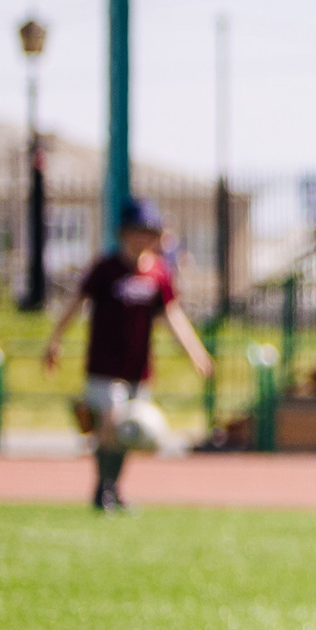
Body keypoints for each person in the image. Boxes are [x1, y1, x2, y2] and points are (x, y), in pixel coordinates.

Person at [43, 197, 213, 513]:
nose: (143, 239)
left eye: (149, 233)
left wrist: (196, 353)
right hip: (104, 366)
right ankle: (103, 490)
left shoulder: (158, 275)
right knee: (111, 422)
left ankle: (113, 490)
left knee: (127, 432)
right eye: (137, 232)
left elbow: (172, 316)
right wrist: (54, 341)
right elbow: (75, 303)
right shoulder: (106, 269)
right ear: (124, 233)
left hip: (137, 368)